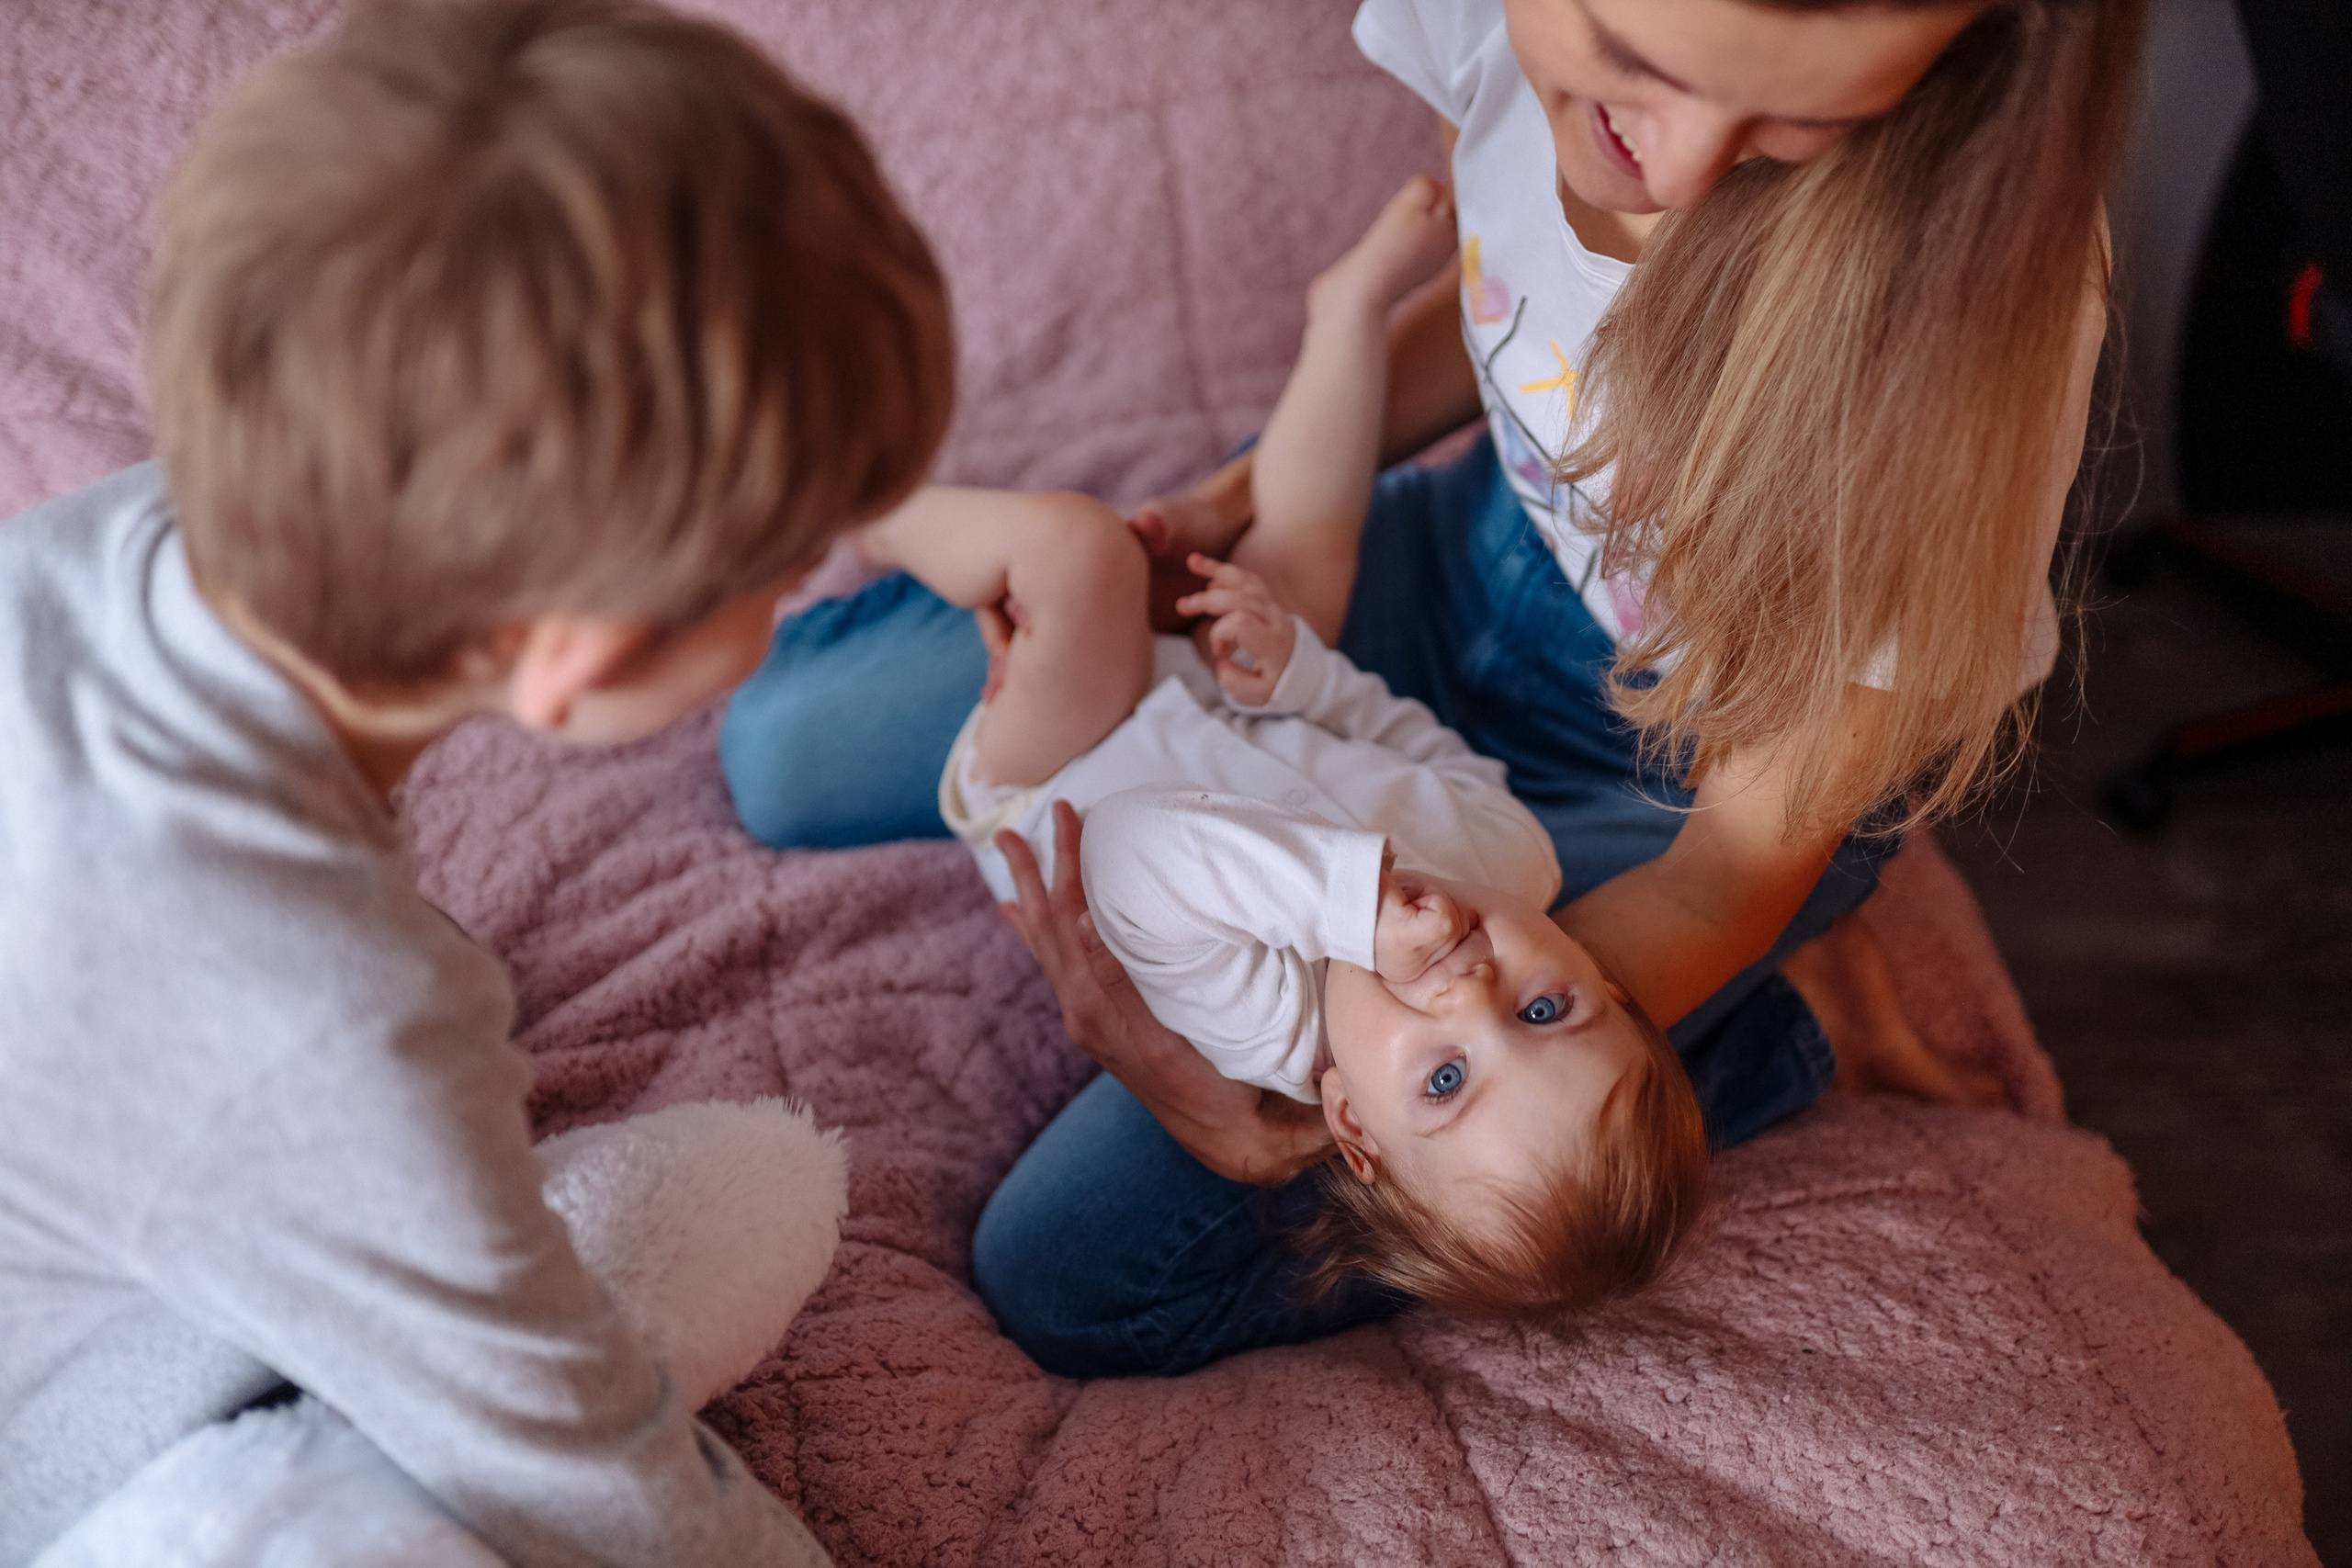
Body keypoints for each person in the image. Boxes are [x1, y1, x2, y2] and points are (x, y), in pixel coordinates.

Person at [719, 0, 2135, 1377]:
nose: (1692, 170)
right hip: (1475, 562)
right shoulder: (1501, 42)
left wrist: (1287, 1112)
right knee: (780, 749)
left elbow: (1716, 883)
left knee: (1071, 1279)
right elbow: (1526, 312)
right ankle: (1678, 1038)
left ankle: (1769, 1036)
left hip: (1675, 784)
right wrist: (1235, 505)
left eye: (1809, 121)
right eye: (1636, 67)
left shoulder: (1965, 323)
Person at [0, 1, 952, 1562]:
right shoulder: (328, 1028)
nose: (806, 590)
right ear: (574, 661)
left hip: (139, 1190)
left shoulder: (106, 548)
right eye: (785, 574)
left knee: (713, 1202)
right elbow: (580, 1476)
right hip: (98, 1475)